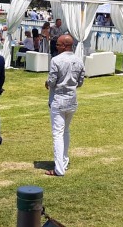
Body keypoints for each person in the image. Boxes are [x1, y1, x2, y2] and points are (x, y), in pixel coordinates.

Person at [45, 35, 85, 177]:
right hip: (71, 100)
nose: (56, 47)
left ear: (64, 46)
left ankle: (59, 169)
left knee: (57, 134)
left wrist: (47, 83)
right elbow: (80, 82)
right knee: (65, 132)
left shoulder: (56, 60)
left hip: (58, 100)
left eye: (58, 44)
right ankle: (64, 162)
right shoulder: (79, 60)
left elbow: (52, 81)